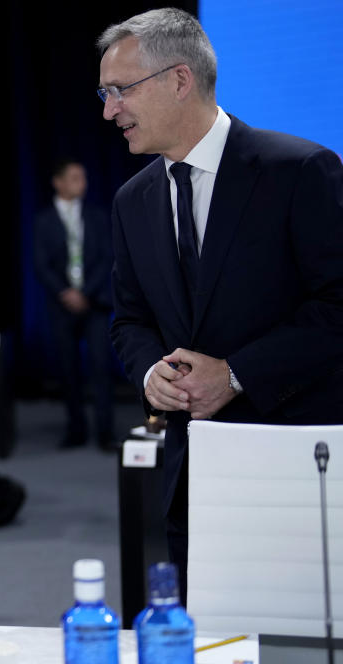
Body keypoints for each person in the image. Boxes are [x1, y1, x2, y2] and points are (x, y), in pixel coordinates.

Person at [98, 8, 343, 601]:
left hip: (295, 463)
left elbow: (338, 307)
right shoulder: (133, 200)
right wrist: (154, 372)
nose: (109, 112)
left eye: (119, 91)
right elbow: (130, 319)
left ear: (179, 80)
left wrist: (236, 374)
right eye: (103, 95)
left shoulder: (300, 170)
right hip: (191, 473)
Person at [33, 159, 115, 450]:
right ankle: (75, 428)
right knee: (68, 369)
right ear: (58, 182)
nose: (83, 182)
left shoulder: (96, 216)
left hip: (95, 303)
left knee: (101, 367)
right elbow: (42, 265)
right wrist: (66, 293)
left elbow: (107, 257)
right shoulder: (43, 220)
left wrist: (86, 293)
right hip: (61, 306)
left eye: (84, 177)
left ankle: (105, 430)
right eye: (75, 177)